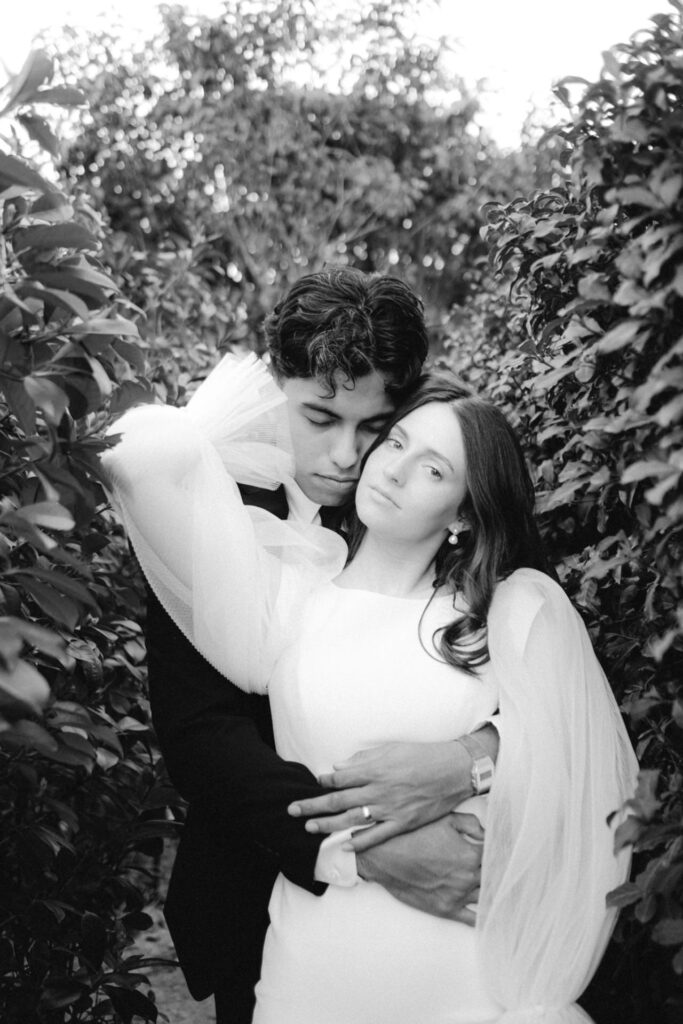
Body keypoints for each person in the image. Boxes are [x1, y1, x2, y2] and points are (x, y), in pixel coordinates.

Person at [104, 352, 638, 1023]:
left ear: (465, 514)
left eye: (433, 468)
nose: (380, 464)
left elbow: (585, 756)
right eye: (397, 443)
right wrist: (365, 848)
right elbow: (133, 454)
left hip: (459, 969)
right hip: (299, 945)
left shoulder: (507, 608)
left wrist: (475, 757)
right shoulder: (280, 583)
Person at [139, 268, 499, 1022]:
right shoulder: (205, 504)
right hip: (257, 891)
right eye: (320, 417)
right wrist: (367, 847)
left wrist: (473, 754)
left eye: (373, 427)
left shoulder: (426, 498)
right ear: (277, 386)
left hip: (441, 936)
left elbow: (537, 677)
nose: (346, 455)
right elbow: (201, 732)